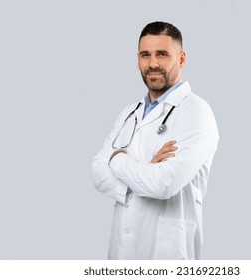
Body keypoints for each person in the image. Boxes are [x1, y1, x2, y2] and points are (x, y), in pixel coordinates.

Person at [91, 21, 219, 260]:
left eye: (162, 54)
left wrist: (117, 159)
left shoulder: (196, 112)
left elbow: (164, 184)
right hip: (121, 252)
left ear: (181, 59)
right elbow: (97, 172)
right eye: (145, 55)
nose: (153, 64)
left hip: (167, 253)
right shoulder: (130, 112)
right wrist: (147, 171)